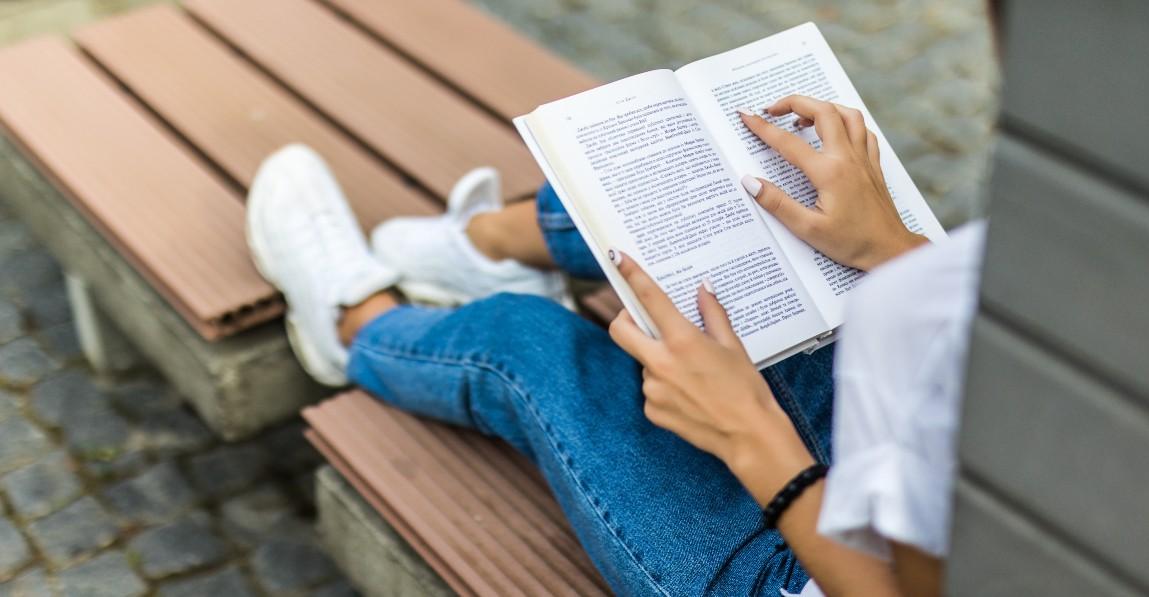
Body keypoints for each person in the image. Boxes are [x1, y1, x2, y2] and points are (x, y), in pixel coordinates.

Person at [245, 91, 983, 596]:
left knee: (528, 343)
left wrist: (752, 434)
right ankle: (489, 244)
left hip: (791, 569)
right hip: (903, 456)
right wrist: (891, 248)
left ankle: (353, 324)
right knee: (733, 182)